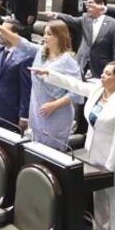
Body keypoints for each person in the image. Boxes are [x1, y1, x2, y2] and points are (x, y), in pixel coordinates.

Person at [31, 61, 115, 230]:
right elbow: (73, 84)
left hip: (114, 160)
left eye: (108, 74)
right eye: (103, 72)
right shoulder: (97, 91)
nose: (102, 76)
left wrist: (110, 167)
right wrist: (49, 73)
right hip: (94, 155)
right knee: (100, 200)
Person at [27, 20, 83, 150]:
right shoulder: (41, 54)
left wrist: (54, 105)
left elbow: (76, 92)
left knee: (52, 154)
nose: (44, 37)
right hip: (37, 109)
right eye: (44, 33)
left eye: (49, 34)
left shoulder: (68, 61)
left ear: (60, 37)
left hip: (57, 113)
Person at [47, 0, 115, 79]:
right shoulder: (85, 18)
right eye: (86, 4)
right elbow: (71, 19)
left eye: (90, 3)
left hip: (101, 69)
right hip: (81, 63)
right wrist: (57, 15)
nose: (87, 6)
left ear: (101, 5)